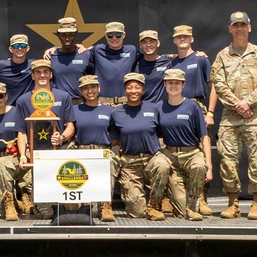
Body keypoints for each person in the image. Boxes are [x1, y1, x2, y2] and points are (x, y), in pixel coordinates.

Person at [211, 11, 257, 219]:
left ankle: (256, 204)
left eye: (243, 25)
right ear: (230, 28)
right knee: (227, 161)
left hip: (255, 118)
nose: (239, 29)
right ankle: (233, 203)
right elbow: (218, 83)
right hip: (230, 118)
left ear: (249, 28)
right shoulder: (222, 55)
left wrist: (248, 102)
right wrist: (237, 104)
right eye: (235, 25)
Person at [15, 60, 76, 217]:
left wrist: (61, 137)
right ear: (32, 76)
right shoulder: (23, 100)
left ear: (51, 75)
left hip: (60, 151)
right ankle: (33, 199)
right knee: (45, 213)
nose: (42, 75)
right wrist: (23, 155)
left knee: (71, 210)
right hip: (36, 154)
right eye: (38, 72)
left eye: (45, 72)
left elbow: (70, 126)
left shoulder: (63, 96)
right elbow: (21, 132)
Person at [109, 73, 172, 220]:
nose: (133, 91)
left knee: (162, 165)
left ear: (142, 89)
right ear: (125, 90)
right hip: (130, 162)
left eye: (137, 87)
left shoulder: (153, 108)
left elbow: (161, 133)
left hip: (151, 158)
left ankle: (154, 205)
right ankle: (142, 205)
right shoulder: (116, 112)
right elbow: (114, 139)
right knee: (137, 214)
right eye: (129, 87)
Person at [170, 24, 217, 217]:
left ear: (192, 39)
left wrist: (211, 112)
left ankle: (202, 198)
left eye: (186, 36)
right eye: (179, 37)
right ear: (174, 40)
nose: (182, 39)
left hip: (197, 107)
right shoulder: (171, 63)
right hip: (175, 106)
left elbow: (213, 86)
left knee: (201, 151)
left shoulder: (201, 59)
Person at [158, 69, 211, 221]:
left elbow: (204, 137)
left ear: (183, 85)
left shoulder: (193, 107)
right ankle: (158, 203)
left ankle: (194, 205)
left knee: (199, 166)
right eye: (170, 83)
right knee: (181, 213)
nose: (173, 86)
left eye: (177, 83)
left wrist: (210, 166)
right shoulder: (159, 107)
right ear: (165, 84)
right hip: (171, 156)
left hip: (191, 153)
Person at [72, 74, 116, 222]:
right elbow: (71, 131)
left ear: (99, 88)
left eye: (92, 87)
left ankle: (106, 206)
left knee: (110, 162)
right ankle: (82, 204)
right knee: (90, 210)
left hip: (102, 150)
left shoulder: (109, 110)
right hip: (81, 150)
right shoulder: (75, 110)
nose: (89, 91)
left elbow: (115, 136)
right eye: (85, 88)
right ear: (81, 91)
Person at [0, 82, 24, 221]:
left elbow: (22, 133)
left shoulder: (16, 112)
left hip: (16, 159)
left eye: (0, 96)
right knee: (1, 211)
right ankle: (10, 202)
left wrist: (24, 154)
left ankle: (13, 201)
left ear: (6, 96)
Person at [90, 22, 138, 106]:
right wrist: (79, 47)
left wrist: (167, 56)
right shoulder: (97, 50)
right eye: (110, 35)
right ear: (105, 36)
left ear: (124, 35)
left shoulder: (131, 50)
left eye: (118, 35)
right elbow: (80, 54)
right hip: (102, 103)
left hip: (125, 104)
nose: (114, 38)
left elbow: (150, 57)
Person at [49, 18, 89, 103]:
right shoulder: (50, 57)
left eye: (70, 35)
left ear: (76, 35)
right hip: (58, 105)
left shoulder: (86, 55)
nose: (67, 39)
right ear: (58, 35)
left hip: (82, 105)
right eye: (63, 35)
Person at [0, 34, 34, 103]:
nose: (19, 48)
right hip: (6, 110)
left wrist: (54, 48)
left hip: (26, 108)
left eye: (23, 46)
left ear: (27, 48)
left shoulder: (33, 65)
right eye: (16, 46)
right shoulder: (0, 66)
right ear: (11, 49)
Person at [134, 30, 170, 103]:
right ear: (140, 45)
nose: (148, 45)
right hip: (142, 109)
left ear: (158, 43)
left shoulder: (167, 63)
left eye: (151, 41)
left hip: (162, 109)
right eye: (144, 42)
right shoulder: (135, 64)